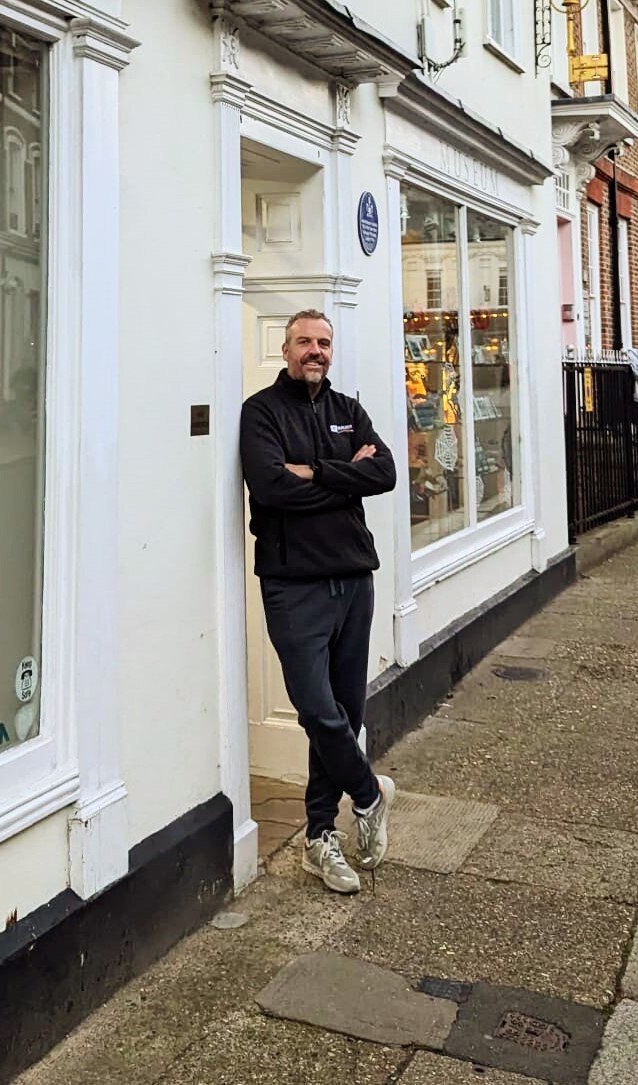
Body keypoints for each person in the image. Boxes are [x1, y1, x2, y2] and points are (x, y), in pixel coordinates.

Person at [239, 309, 397, 894]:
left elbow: (383, 473)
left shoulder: (346, 410)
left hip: (354, 579)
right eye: (304, 341)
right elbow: (271, 486)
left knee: (346, 711)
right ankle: (368, 792)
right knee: (316, 708)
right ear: (285, 349)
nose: (316, 351)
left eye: (324, 342)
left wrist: (317, 474)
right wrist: (341, 477)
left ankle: (319, 836)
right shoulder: (260, 413)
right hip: (294, 583)